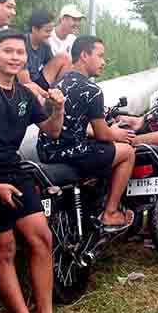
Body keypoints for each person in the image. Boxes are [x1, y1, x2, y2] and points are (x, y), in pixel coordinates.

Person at [0, 29, 64, 313]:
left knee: (42, 238)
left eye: (20, 52)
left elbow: (52, 130)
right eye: (8, 51)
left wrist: (58, 108)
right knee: (5, 248)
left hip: (15, 169)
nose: (14, 57)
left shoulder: (24, 93)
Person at [37, 35, 136, 231]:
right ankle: (111, 213)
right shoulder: (92, 89)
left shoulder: (59, 83)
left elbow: (70, 123)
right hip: (74, 154)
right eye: (100, 56)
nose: (103, 62)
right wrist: (117, 133)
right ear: (84, 55)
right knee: (128, 153)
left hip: (47, 151)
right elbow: (102, 134)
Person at [18, 10, 72, 98]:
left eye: (51, 31)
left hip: (38, 80)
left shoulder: (45, 45)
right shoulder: (21, 44)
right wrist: (46, 95)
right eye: (47, 31)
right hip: (25, 86)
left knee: (65, 57)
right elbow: (24, 81)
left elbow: (52, 67)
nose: (50, 35)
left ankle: (58, 93)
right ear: (34, 29)